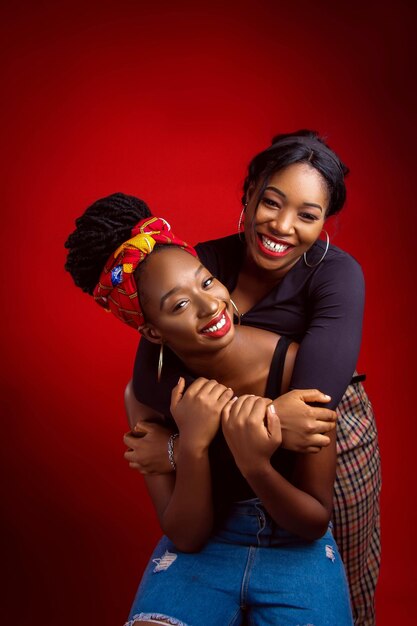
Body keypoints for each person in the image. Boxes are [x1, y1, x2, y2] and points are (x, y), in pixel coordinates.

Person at [125, 131, 380, 626]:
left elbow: (312, 402)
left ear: (324, 223)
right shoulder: (203, 263)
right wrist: (249, 420)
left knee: (344, 589)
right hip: (222, 448)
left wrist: (178, 446)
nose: (283, 226)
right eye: (272, 203)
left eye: (307, 215)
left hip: (332, 438)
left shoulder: (337, 275)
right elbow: (152, 388)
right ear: (248, 195)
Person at [65, 200, 353, 625]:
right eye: (179, 305)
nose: (210, 306)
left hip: (294, 547)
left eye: (207, 282)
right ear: (151, 331)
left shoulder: (295, 365)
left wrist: (254, 462)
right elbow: (186, 534)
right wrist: (194, 447)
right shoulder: (144, 398)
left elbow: (312, 521)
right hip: (208, 547)